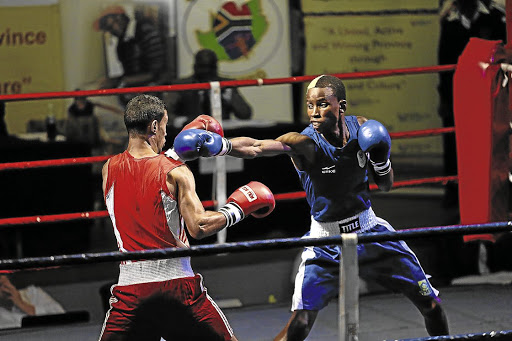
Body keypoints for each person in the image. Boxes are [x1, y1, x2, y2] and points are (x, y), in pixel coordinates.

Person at [171, 75, 450, 340]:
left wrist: (382, 159)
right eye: (310, 105)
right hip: (325, 243)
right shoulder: (304, 143)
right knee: (300, 325)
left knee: (431, 305)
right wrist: (223, 145)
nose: (314, 112)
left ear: (341, 107)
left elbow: (386, 185)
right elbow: (258, 146)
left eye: (322, 104)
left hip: (371, 231)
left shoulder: (363, 130)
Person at [99, 94, 275, 341]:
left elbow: (143, 176)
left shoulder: (109, 169)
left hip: (131, 291)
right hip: (178, 289)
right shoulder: (177, 172)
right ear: (154, 126)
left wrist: (174, 154)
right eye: (165, 126)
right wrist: (238, 209)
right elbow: (198, 226)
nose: (166, 134)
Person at [437, 0, 506, 207]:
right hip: (455, 94)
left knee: (488, 144)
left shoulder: (494, 18)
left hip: (488, 95)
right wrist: (444, 98)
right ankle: (453, 190)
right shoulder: (450, 22)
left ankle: (490, 194)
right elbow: (443, 63)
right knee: (453, 143)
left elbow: (502, 56)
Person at [93, 5, 166, 105]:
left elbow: (156, 73)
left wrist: (118, 81)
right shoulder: (122, 42)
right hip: (136, 93)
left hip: (153, 93)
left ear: (119, 18)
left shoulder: (145, 31)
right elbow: (130, 74)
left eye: (110, 27)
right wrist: (113, 81)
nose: (110, 32)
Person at [165, 49, 252, 131]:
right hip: (191, 134)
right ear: (195, 67)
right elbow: (165, 113)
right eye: (203, 67)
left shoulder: (225, 85)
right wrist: (182, 120)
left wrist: (230, 97)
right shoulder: (183, 86)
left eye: (210, 67)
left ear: (216, 68)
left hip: (222, 134)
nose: (206, 71)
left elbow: (245, 114)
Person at [0, 275, 65, 329]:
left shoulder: (33, 293)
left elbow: (61, 316)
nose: (3, 289)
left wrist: (22, 304)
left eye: (3, 284)